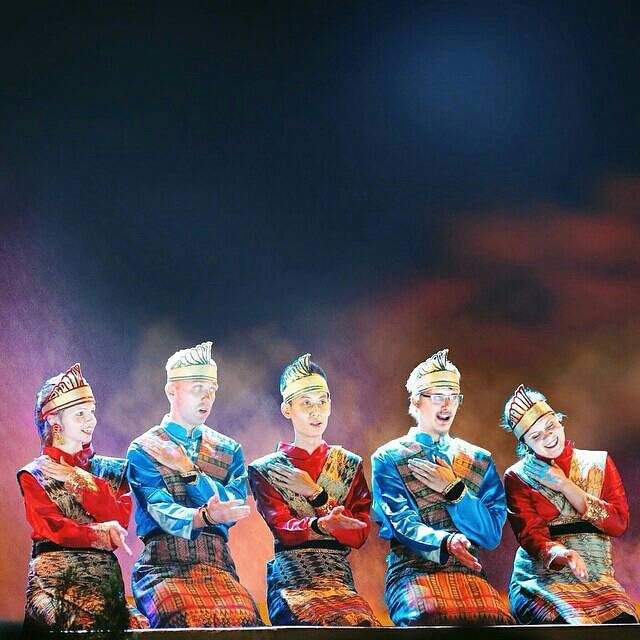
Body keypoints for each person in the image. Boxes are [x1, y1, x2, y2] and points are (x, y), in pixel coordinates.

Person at [371, 349, 513, 626]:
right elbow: (401, 521)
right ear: (416, 400)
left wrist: (455, 491)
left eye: (453, 396)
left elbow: (491, 535)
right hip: (412, 571)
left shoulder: (479, 460)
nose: (447, 405)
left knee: (499, 622)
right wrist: (445, 542)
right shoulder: (389, 457)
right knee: (428, 616)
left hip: (469, 573)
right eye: (437, 396)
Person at [127, 341, 261, 628]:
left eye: (212, 389)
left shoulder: (228, 449)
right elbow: (160, 509)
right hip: (163, 566)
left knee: (247, 619)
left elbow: (233, 505)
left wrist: (189, 471)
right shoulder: (145, 448)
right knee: (184, 617)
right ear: (171, 391)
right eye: (197, 388)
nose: (207, 398)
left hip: (217, 565)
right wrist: (205, 516)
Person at [248, 354, 379, 626]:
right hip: (291, 579)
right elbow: (283, 529)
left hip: (339, 579)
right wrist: (323, 524)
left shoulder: (348, 465)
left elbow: (359, 534)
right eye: (306, 403)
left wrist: (316, 494)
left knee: (360, 625)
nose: (315, 411)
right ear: (287, 409)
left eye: (322, 402)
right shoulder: (267, 469)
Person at [18, 363, 147, 632]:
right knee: (78, 627)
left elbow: (118, 519)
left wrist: (75, 477)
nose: (91, 420)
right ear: (54, 421)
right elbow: (53, 528)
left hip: (104, 584)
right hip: (55, 583)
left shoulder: (114, 471)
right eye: (80, 414)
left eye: (92, 412)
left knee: (138, 627)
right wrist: (98, 533)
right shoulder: (34, 474)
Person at [501, 384, 638, 624]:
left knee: (623, 626)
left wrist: (565, 486)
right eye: (536, 436)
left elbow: (618, 524)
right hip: (541, 582)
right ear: (525, 444)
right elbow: (531, 536)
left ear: (559, 421)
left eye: (550, 426)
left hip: (598, 580)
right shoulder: (518, 476)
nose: (548, 437)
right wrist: (564, 554)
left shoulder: (598, 463)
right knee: (564, 628)